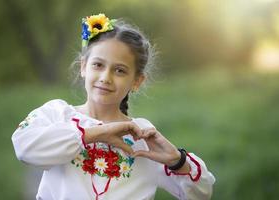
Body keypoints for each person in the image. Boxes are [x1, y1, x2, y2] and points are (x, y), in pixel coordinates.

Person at [12, 13, 215, 200]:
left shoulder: (142, 137)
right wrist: (94, 134)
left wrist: (177, 161)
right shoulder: (58, 114)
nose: (106, 78)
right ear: (84, 67)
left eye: (119, 70)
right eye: (98, 65)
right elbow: (25, 148)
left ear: (137, 81)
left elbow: (201, 193)